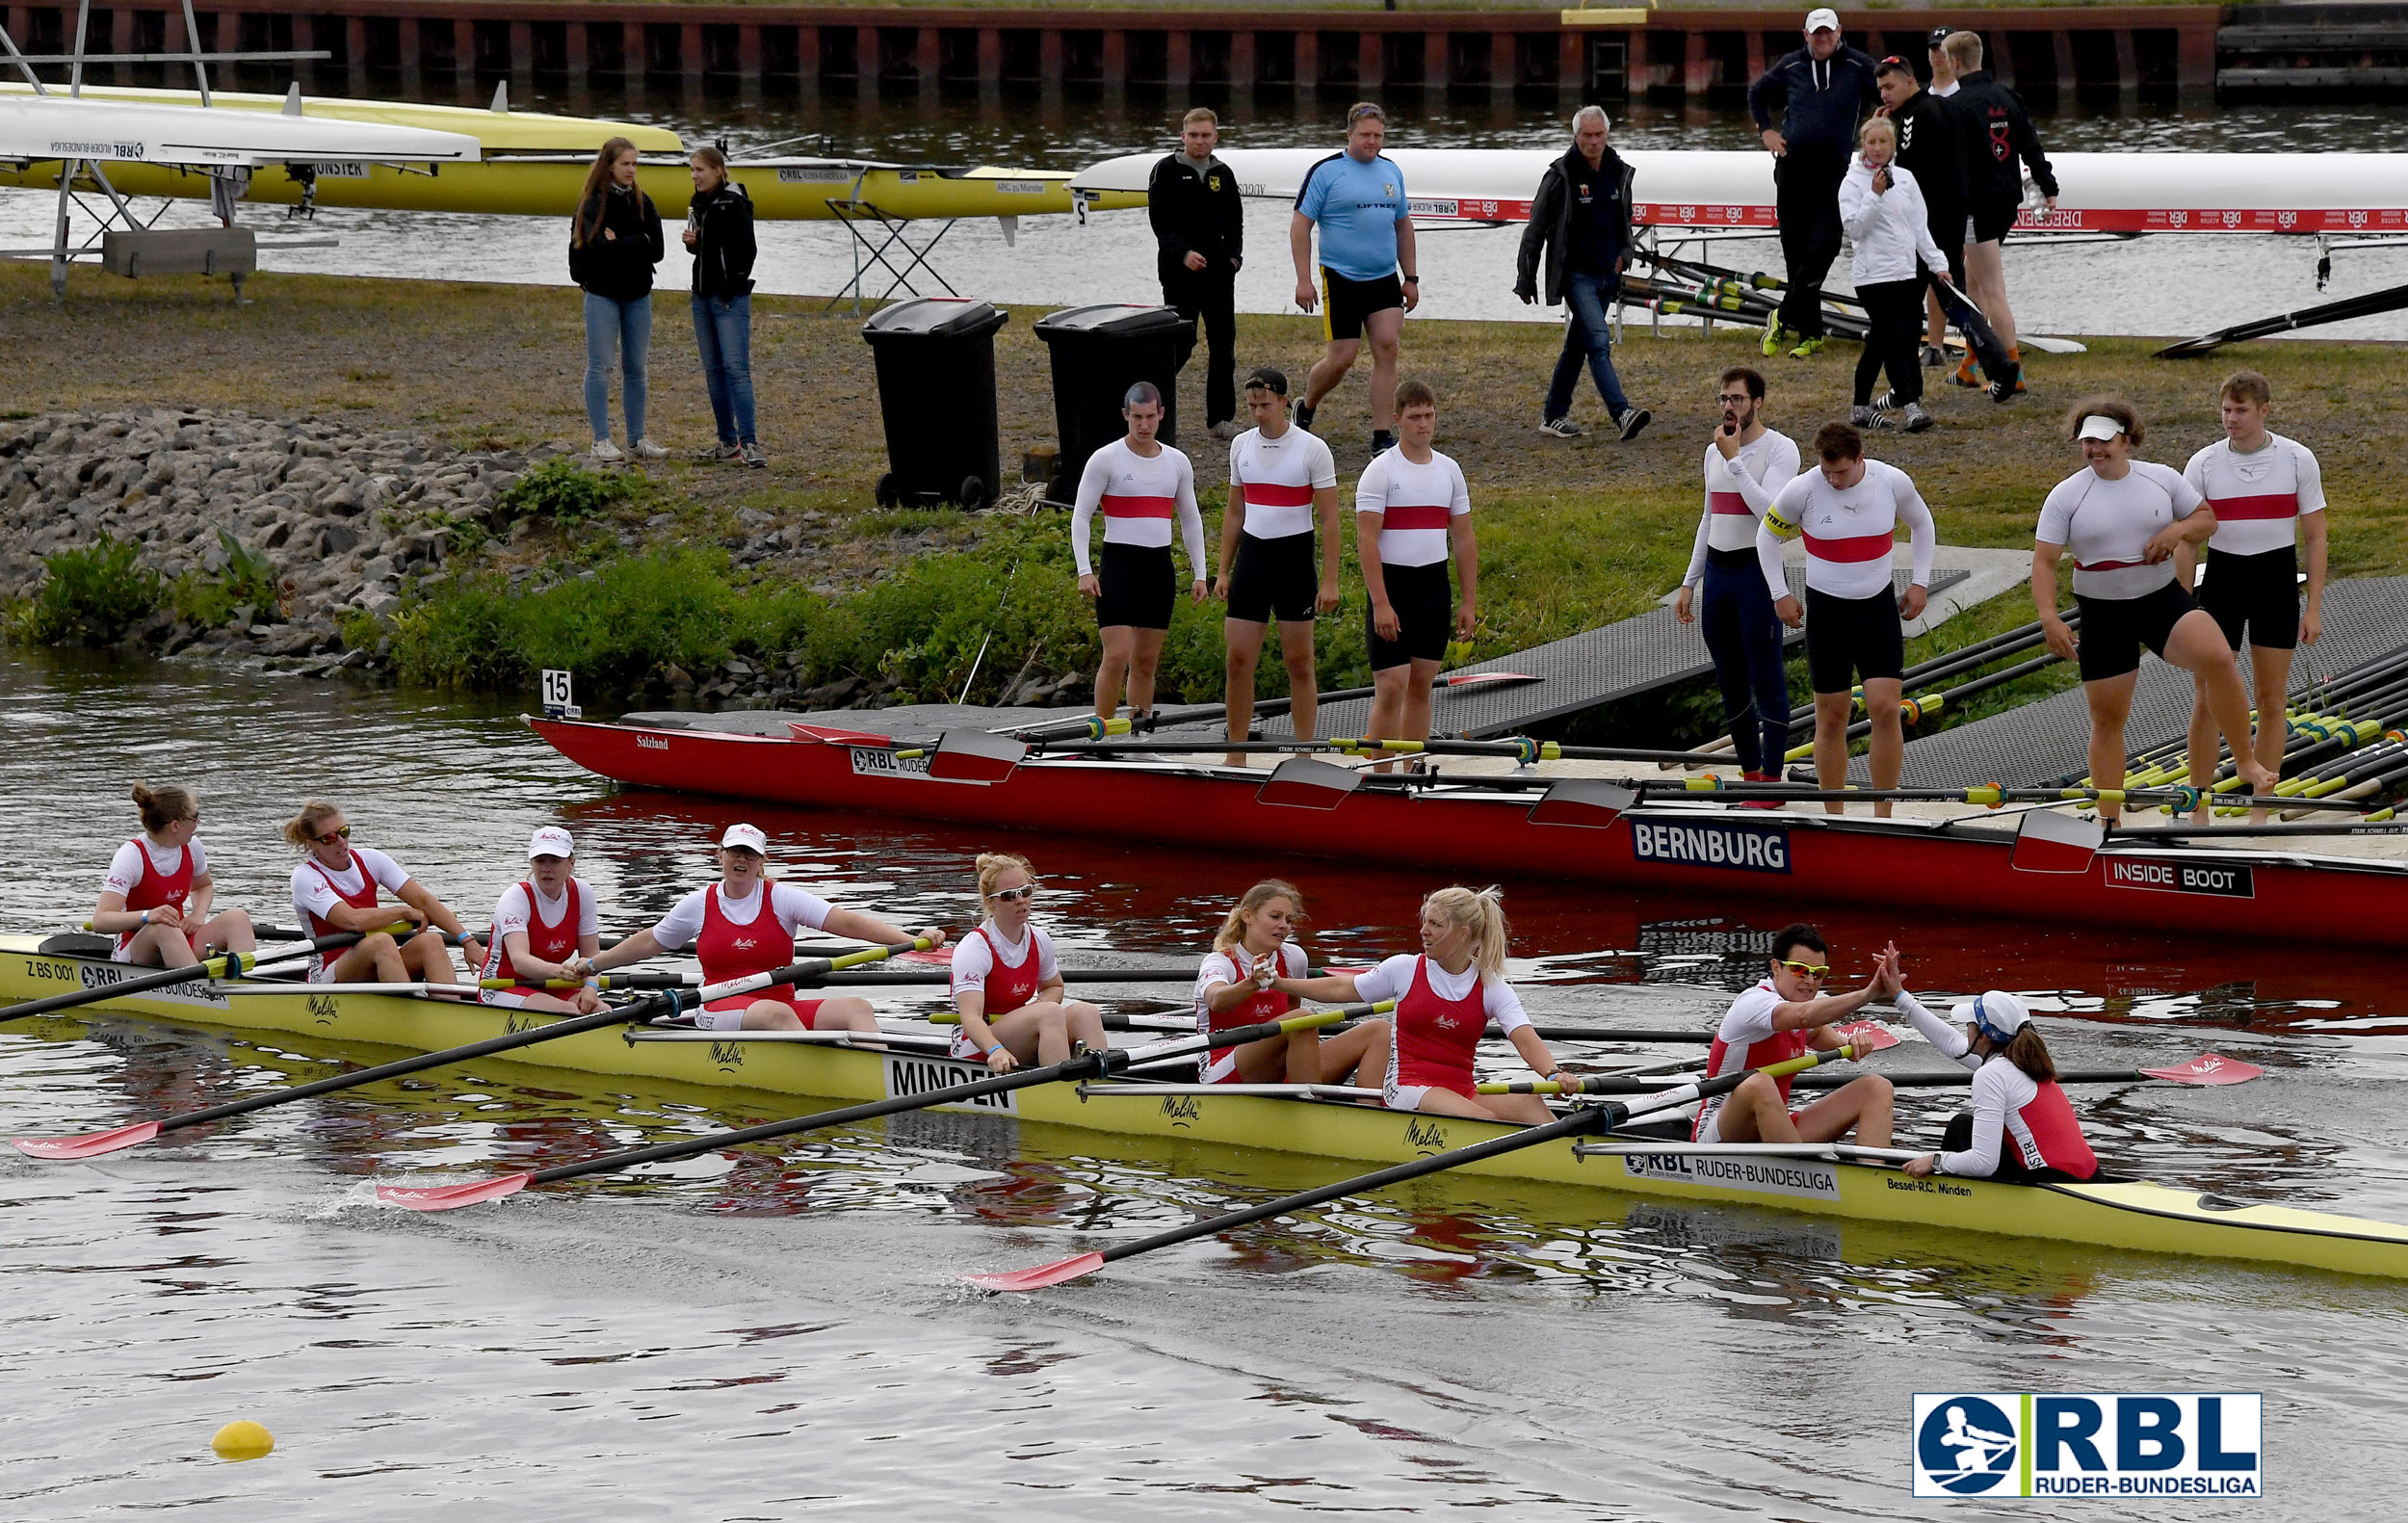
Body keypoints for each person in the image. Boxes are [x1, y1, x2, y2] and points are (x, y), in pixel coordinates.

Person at [2033, 398, 2275, 821]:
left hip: (2159, 601)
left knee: (2219, 656)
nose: (2095, 451)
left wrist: (2175, 531)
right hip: (2103, 613)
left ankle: (2244, 761)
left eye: (2104, 442)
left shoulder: (2159, 478)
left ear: (2126, 440)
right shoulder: (2066, 496)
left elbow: (2207, 521)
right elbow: (2044, 562)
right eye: (2087, 442)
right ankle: (2108, 818)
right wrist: (2049, 618)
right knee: (2108, 719)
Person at [582, 824, 944, 1032]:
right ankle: (823, 1078)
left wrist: (912, 941)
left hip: (779, 1004)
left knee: (857, 1008)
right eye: (735, 852)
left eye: (750, 854)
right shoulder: (698, 904)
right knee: (777, 1015)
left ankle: (873, 1075)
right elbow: (648, 943)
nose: (741, 859)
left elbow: (845, 922)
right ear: (719, 855)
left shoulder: (782, 898)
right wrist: (593, 966)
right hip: (716, 1005)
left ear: (761, 861)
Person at [1271, 886, 1570, 1124]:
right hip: (1406, 1087)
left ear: (1462, 932)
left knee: (1530, 1104)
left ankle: (1576, 1158)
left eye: (1435, 924)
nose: (1423, 931)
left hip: (1461, 1089)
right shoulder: (1405, 969)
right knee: (1483, 1120)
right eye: (1424, 922)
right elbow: (1341, 986)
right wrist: (1281, 983)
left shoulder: (1491, 986)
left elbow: (1525, 1038)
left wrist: (1554, 1074)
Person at [1759, 422, 1935, 818]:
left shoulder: (1891, 481)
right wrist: (1780, 593)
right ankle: (1832, 814)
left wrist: (1921, 582)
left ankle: (1883, 813)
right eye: (1827, 472)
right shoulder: (1803, 489)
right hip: (1827, 613)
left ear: (1860, 459)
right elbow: (1766, 536)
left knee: (1886, 708)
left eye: (1842, 471)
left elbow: (1922, 524)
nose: (1834, 480)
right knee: (1832, 716)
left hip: (1876, 609)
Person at [2180, 371, 2326, 826]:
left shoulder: (2298, 459)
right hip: (2222, 582)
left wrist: (2315, 606)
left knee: (2271, 698)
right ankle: (2199, 803)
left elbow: (2316, 537)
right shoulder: (2202, 463)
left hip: (2276, 581)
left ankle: (2260, 809)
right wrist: (2181, 607)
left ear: (2264, 410)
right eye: (2226, 410)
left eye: (2241, 410)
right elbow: (2187, 542)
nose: (2231, 419)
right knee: (2206, 697)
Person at [1678, 368, 1802, 787]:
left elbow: (1770, 514)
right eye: (1723, 399)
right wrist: (1690, 581)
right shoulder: (1714, 451)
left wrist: (1735, 460)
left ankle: (1772, 778)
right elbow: (1709, 517)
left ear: (1757, 403)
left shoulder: (1780, 450)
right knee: (1729, 679)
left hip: (1756, 572)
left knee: (1765, 675)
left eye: (1737, 399)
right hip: (1718, 573)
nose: (1728, 407)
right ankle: (1751, 776)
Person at [1217, 367, 1342, 767]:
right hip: (1253, 560)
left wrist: (1331, 581)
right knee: (1237, 660)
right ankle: (1236, 754)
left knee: (1299, 662)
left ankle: (1304, 753)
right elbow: (1235, 511)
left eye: (1264, 406)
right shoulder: (1240, 445)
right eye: (1251, 406)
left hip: (1293, 561)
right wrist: (1222, 570)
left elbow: (1330, 520)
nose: (1257, 414)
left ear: (1285, 402)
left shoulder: (1312, 449)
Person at [1070, 381, 1210, 725]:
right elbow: (1081, 516)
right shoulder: (1106, 459)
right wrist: (1084, 570)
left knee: (1146, 661)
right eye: (1137, 418)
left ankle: (1139, 733)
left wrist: (1200, 573)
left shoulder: (1177, 462)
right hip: (1119, 566)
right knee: (1116, 655)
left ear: (1161, 414)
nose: (1144, 425)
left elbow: (1190, 518)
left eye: (1150, 417)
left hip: (1157, 568)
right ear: (1125, 416)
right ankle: (1101, 734)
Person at [1748, 9, 1880, 360]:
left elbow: (1888, 92)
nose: (1822, 39)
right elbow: (1757, 94)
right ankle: (1810, 334)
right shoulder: (1791, 65)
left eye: (1828, 33)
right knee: (1795, 250)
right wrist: (1767, 131)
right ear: (1806, 35)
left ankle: (1783, 314)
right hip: (1792, 169)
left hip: (1834, 173)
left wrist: (1884, 118)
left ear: (1839, 32)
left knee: (1824, 246)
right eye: (1815, 34)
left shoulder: (1857, 65)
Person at [1514, 105, 1651, 442]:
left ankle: (1553, 414)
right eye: (1587, 135)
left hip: (1608, 272)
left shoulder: (1619, 171)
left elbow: (1626, 221)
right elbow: (1536, 227)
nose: (1593, 141)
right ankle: (1622, 413)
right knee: (1599, 342)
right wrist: (1526, 277)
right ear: (1575, 136)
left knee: (1577, 346)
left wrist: (1626, 254)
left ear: (1607, 135)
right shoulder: (1560, 175)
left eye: (1599, 135)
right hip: (1576, 275)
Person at [1692, 924, 1898, 1148]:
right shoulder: (1754, 1003)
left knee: (1876, 1087)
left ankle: (1874, 1175)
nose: (1809, 981)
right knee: (1759, 1083)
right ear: (1776, 967)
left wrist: (1851, 1043)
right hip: (1718, 1135)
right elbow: (1804, 1017)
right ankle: (1797, 1172)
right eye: (1800, 970)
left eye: (1818, 974)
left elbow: (1816, 1030)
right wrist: (1867, 995)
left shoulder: (1800, 1011)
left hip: (1772, 1129)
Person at [1291, 102, 1419, 457]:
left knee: (1387, 348)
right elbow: (1301, 225)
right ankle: (1309, 405)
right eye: (1365, 135)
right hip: (1340, 277)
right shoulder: (1327, 172)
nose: (1372, 142)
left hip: (1383, 278)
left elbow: (1403, 225)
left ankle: (1382, 435)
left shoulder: (1391, 171)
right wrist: (1304, 279)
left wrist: (1411, 277)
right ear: (1349, 134)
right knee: (1342, 358)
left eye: (1378, 136)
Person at [1356, 380, 1475, 760]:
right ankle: (1381, 778)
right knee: (1392, 687)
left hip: (1433, 588)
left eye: (1428, 416)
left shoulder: (1450, 470)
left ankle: (1413, 773)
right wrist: (1381, 604)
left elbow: (1464, 539)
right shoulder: (1380, 471)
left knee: (1421, 686)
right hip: (1394, 587)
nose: (1423, 424)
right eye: (1414, 417)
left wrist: (1468, 602)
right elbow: (1367, 541)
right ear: (1397, 420)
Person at [1942, 30, 2057, 400]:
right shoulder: (2008, 97)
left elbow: (1950, 162)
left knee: (1991, 289)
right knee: (1973, 286)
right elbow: (2031, 145)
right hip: (2006, 200)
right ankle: (1970, 366)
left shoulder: (1957, 103)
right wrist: (2048, 186)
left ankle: (2014, 373)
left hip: (1975, 206)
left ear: (1954, 62)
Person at [1195, 880, 1390, 1087]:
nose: (1284, 926)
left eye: (1289, 920)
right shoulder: (1219, 961)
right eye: (1275, 916)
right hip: (1221, 1065)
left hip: (1281, 1063)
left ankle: (1370, 1109)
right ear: (1248, 915)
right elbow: (1216, 1000)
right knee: (1302, 1020)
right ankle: (1311, 1106)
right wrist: (1251, 983)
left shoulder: (1294, 957)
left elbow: (1291, 1005)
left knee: (1380, 1030)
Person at [1897, 988, 2099, 1182]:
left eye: (1969, 1023)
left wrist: (1935, 1160)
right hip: (2092, 1176)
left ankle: (1942, 1200)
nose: (1966, 1029)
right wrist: (1900, 997)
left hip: (2054, 1183)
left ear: (1982, 1036)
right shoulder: (2024, 1060)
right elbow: (1950, 1042)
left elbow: (1984, 1163)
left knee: (1960, 1127)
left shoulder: (1991, 1074)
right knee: (1967, 1127)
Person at [285, 800, 477, 986]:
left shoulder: (372, 859)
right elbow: (353, 920)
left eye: (344, 832)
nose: (342, 842)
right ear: (311, 844)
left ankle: (449, 1007)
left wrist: (467, 940)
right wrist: (402, 912)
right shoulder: (305, 877)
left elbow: (424, 901)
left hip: (375, 962)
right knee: (382, 942)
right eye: (330, 838)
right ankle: (408, 1013)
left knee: (432, 941)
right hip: (329, 975)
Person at [1839, 116, 1949, 434]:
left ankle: (1861, 407)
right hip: (1872, 276)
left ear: (1892, 145)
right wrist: (1874, 194)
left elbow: (1919, 227)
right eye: (1871, 142)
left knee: (1889, 338)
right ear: (1863, 145)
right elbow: (1854, 229)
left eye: (1882, 142)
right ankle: (1911, 405)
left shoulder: (1906, 178)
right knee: (1893, 336)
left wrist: (1938, 264)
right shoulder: (1852, 182)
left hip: (1904, 272)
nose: (1876, 148)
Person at [948, 853, 1107, 1073]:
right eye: (1009, 896)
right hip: (975, 1045)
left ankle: (1102, 1084)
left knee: (1085, 1013)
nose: (1020, 900)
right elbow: (971, 1018)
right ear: (990, 902)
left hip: (1015, 1035)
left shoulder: (1039, 939)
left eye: (1025, 892)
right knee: (1050, 1013)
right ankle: (1060, 1094)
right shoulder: (974, 948)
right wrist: (995, 1049)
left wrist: (1035, 1010)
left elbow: (1054, 987)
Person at [567, 136, 667, 463]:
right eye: (625, 164)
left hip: (638, 293)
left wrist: (626, 241)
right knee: (601, 366)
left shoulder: (642, 200)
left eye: (635, 164)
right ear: (608, 166)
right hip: (602, 294)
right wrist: (635, 244)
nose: (631, 170)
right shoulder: (593, 203)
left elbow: (658, 249)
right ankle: (601, 439)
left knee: (636, 368)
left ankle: (637, 439)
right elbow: (598, 250)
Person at [1150, 107, 1245, 442]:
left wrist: (1234, 258)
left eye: (1206, 135)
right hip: (1180, 274)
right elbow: (1160, 222)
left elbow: (1236, 220)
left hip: (1219, 275)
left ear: (1215, 137)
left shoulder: (1224, 173)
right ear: (1183, 136)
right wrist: (1182, 254)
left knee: (1223, 347)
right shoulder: (1166, 171)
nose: (1200, 141)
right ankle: (1147, 401)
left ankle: (1219, 420)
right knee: (1182, 341)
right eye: (1193, 135)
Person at [1872, 55, 1968, 378]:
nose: (1884, 93)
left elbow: (1906, 172)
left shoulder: (1918, 114)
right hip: (1944, 211)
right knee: (1934, 284)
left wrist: (1883, 134)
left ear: (1910, 81)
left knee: (1945, 285)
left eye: (1890, 86)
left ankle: (1986, 349)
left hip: (1933, 216)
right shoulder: (1928, 109)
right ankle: (1934, 348)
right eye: (1880, 88)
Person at [92, 783, 256, 969]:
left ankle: (247, 985)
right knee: (163, 926)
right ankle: (201, 991)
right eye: (195, 817)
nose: (198, 823)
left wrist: (198, 914)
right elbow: (100, 921)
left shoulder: (192, 846)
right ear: (175, 825)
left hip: (178, 937)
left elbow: (203, 886)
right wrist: (148, 916)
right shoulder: (131, 856)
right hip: (135, 949)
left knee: (238, 918)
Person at [683, 144, 762, 468]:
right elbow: (707, 250)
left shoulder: (734, 202)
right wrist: (695, 244)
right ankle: (727, 441)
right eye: (692, 170)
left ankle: (751, 443)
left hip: (728, 298)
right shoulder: (698, 202)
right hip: (701, 296)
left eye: (700, 170)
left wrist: (729, 289)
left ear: (718, 170)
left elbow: (747, 251)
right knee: (714, 371)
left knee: (736, 371)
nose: (695, 176)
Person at [477, 827, 604, 1016]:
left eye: (555, 860)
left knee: (603, 1011)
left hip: (550, 984)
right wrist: (558, 970)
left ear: (571, 864)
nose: (547, 868)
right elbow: (520, 961)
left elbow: (592, 955)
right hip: (500, 986)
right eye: (540, 860)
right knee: (569, 1011)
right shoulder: (516, 898)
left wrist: (591, 988)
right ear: (531, 863)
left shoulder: (583, 893)